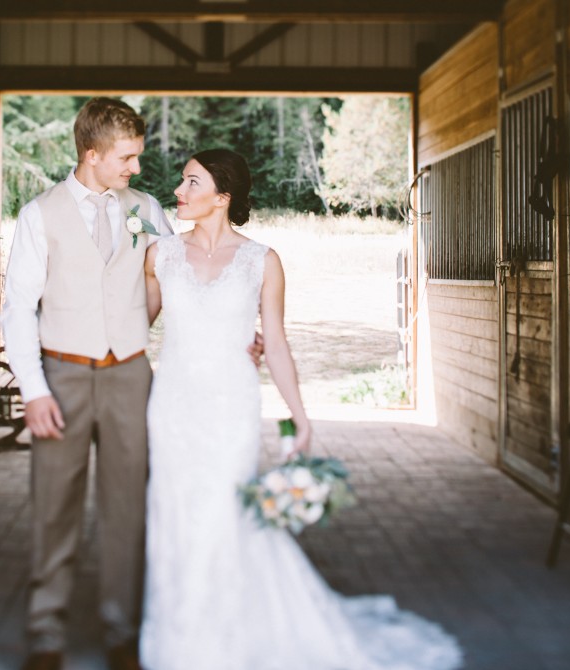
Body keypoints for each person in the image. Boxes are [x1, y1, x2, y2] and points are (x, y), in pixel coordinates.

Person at [139, 148, 464, 670]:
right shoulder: (160, 256)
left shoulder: (261, 261)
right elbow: (135, 326)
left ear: (222, 197)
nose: (178, 191)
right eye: (182, 182)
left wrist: (299, 413)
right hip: (173, 405)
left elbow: (280, 343)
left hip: (231, 407)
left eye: (192, 183)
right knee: (173, 513)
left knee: (227, 513)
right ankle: (179, 639)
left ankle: (231, 636)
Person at [0, 97, 173, 670]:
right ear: (92, 155)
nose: (136, 169)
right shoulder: (38, 214)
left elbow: (177, 279)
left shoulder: (145, 208)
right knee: (54, 506)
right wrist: (34, 390)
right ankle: (46, 634)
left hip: (129, 374)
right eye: (127, 158)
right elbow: (17, 308)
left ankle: (122, 631)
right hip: (63, 376)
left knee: (127, 507)